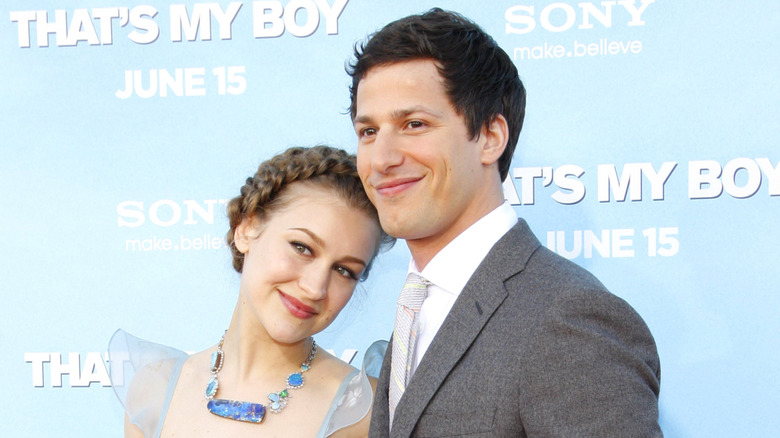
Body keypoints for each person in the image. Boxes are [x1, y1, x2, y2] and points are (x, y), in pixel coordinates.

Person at [348, 8, 662, 437]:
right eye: (368, 132)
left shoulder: (566, 318)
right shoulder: (416, 303)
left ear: (491, 137)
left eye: (414, 124)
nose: (381, 159)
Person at [109, 145, 394, 438]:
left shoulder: (362, 413)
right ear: (246, 229)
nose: (315, 287)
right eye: (302, 248)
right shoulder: (154, 389)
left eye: (344, 270)